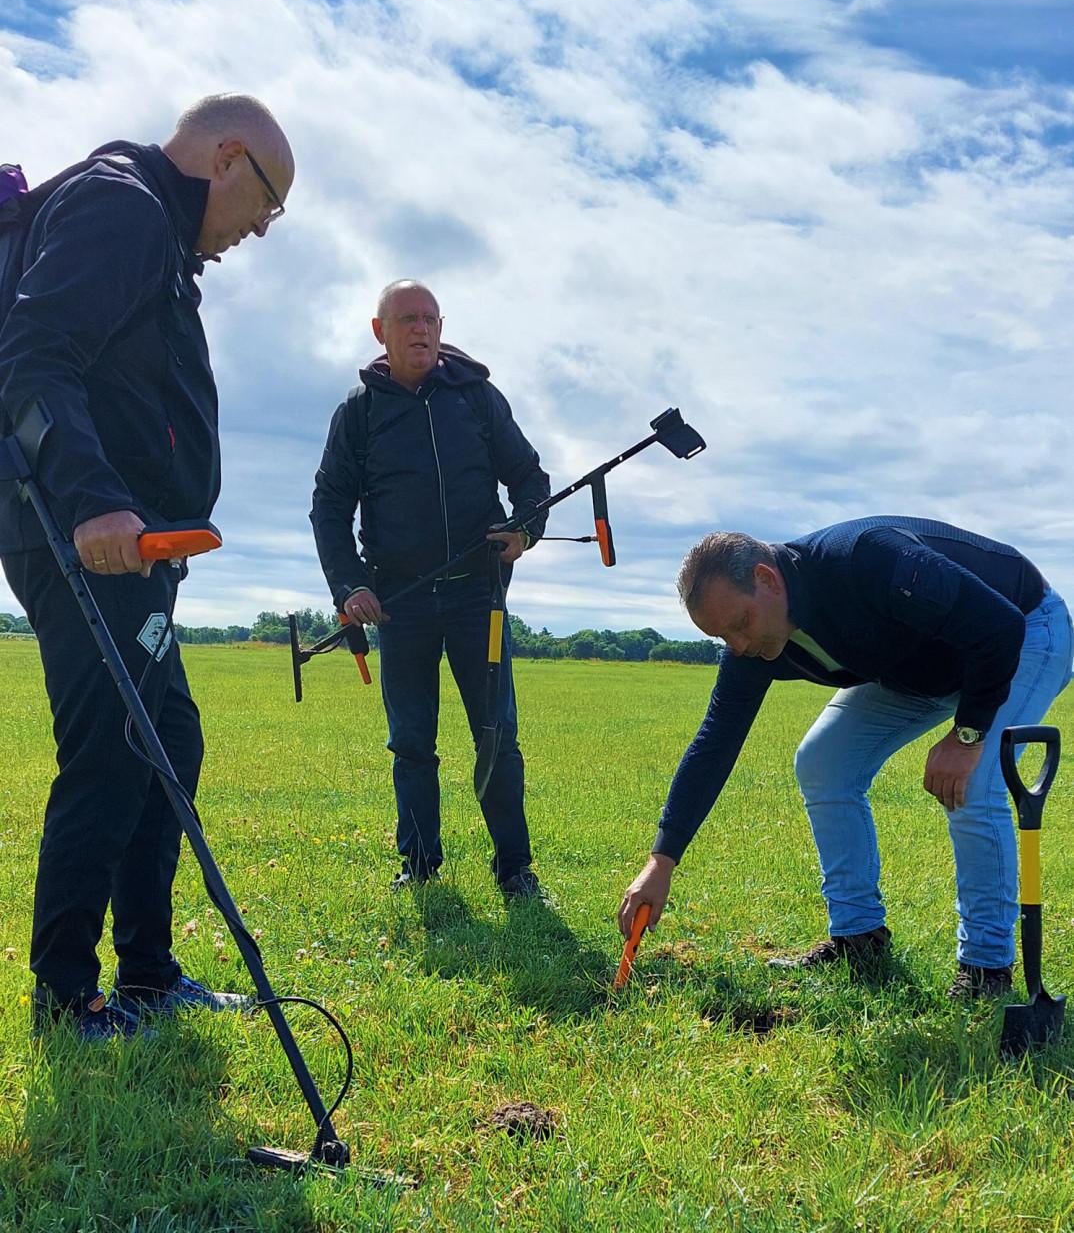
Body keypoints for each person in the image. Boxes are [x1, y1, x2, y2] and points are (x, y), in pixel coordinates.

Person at [0, 94, 295, 1040]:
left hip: (139, 552)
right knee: (116, 748)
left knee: (168, 737)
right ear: (228, 154)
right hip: (73, 532)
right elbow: (33, 355)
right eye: (268, 201)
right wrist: (92, 499)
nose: (261, 227)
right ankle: (63, 995)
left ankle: (148, 974)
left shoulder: (161, 242)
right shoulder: (123, 206)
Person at [619, 517, 1072, 999]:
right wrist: (661, 861)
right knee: (824, 761)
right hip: (917, 668)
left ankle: (986, 970)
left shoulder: (866, 558)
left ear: (766, 580)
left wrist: (967, 735)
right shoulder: (751, 650)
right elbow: (715, 742)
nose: (740, 646)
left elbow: (996, 624)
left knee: (974, 785)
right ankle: (859, 939)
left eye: (740, 625)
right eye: (724, 638)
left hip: (1023, 630)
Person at [310, 280, 550, 898]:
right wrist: (350, 586)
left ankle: (515, 870)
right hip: (400, 604)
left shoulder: (476, 398)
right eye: (407, 319)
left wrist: (524, 531)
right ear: (379, 331)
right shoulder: (358, 413)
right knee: (411, 741)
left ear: (441, 328)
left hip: (480, 598)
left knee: (496, 732)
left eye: (430, 320)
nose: (421, 330)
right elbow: (329, 507)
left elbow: (530, 478)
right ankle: (418, 866)